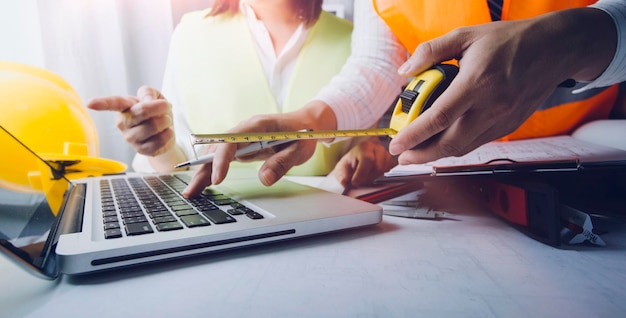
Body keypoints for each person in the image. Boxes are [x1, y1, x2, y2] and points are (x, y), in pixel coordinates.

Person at [181, 0, 626, 198]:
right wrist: (309, 119)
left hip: (595, 168)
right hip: (464, 187)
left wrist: (568, 40)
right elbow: (377, 66)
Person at [87, 0, 397, 190]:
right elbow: (177, 163)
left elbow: (372, 143)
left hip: (331, 232)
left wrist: (372, 151)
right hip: (218, 231)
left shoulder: (365, 48)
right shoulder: (190, 33)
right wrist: (160, 144)